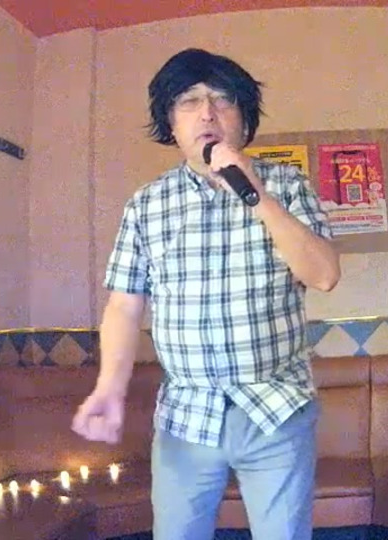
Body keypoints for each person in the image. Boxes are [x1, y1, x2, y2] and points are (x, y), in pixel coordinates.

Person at [71, 48, 341, 540]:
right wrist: (109, 387)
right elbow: (124, 307)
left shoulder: (287, 185)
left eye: (223, 99)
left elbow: (323, 275)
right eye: (189, 101)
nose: (207, 113)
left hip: (277, 407)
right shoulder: (146, 205)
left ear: (244, 119)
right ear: (170, 123)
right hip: (185, 415)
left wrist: (256, 193)